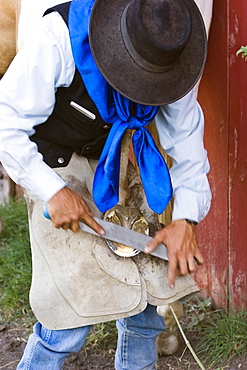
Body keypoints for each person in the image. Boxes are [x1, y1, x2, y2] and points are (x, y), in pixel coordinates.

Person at [0, 0, 212, 368]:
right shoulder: (60, 37)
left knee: (147, 306)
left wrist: (186, 219)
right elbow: (5, 122)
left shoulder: (175, 50)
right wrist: (53, 191)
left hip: (119, 157)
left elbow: (187, 142)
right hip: (54, 160)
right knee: (68, 316)